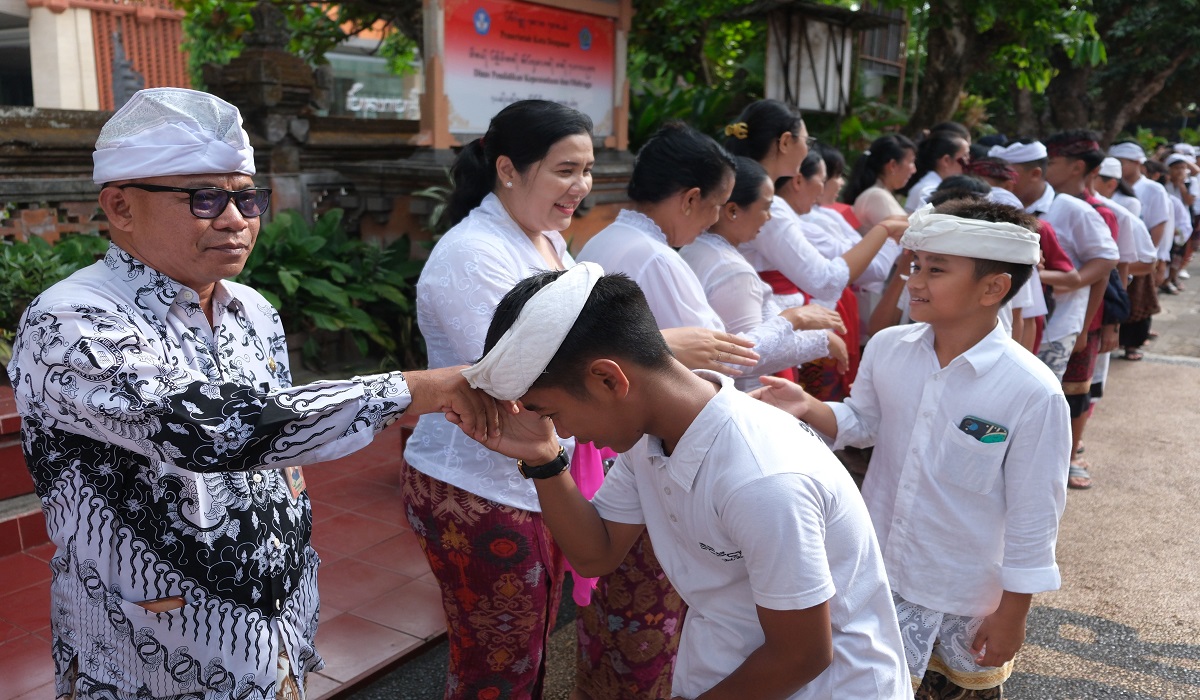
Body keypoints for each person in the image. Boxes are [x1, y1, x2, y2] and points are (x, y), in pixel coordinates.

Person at [6, 87, 507, 700]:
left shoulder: (251, 309)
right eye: (205, 198)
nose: (236, 219)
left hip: (274, 623)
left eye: (247, 198)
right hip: (149, 646)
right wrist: (412, 390)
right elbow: (208, 429)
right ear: (119, 206)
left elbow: (276, 453)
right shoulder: (71, 320)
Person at [404, 103, 758, 699]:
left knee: (529, 646)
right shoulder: (472, 253)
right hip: (477, 487)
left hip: (533, 474)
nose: (582, 187)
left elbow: (576, 337)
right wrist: (666, 345)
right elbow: (513, 371)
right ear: (509, 168)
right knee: (496, 664)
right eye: (566, 170)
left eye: (588, 170)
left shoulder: (546, 240)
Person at [459, 264, 911, 700]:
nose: (566, 433)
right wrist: (543, 459)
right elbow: (596, 553)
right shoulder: (654, 433)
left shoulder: (762, 480)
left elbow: (802, 656)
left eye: (553, 414)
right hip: (733, 671)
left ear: (607, 378)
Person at [754, 201, 1071, 699]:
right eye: (915, 266)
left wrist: (1013, 613)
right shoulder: (889, 348)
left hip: (963, 596)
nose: (915, 281)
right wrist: (808, 405)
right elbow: (864, 423)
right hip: (876, 574)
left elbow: (1037, 514)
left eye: (936, 270)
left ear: (994, 288)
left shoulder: (1032, 390)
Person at [574, 124, 842, 697]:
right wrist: (800, 327)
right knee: (654, 614)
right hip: (661, 440)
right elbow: (722, 351)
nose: (712, 224)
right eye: (717, 208)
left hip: (649, 433)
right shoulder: (658, 259)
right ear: (692, 199)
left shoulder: (606, 240)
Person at [1110, 142, 1170, 361]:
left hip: (1139, 252)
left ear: (1137, 163)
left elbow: (1159, 224)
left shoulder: (1154, 189)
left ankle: (1132, 344)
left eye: (1122, 162)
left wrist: (1155, 255)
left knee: (1138, 300)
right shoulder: (1114, 186)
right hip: (1118, 252)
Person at [843, 133, 917, 232]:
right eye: (911, 162)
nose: (914, 170)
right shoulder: (877, 195)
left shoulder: (879, 194)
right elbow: (906, 236)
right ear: (893, 165)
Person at [904, 130, 972, 213]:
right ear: (946, 160)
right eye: (965, 156)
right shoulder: (929, 190)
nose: (968, 162)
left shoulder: (935, 185)